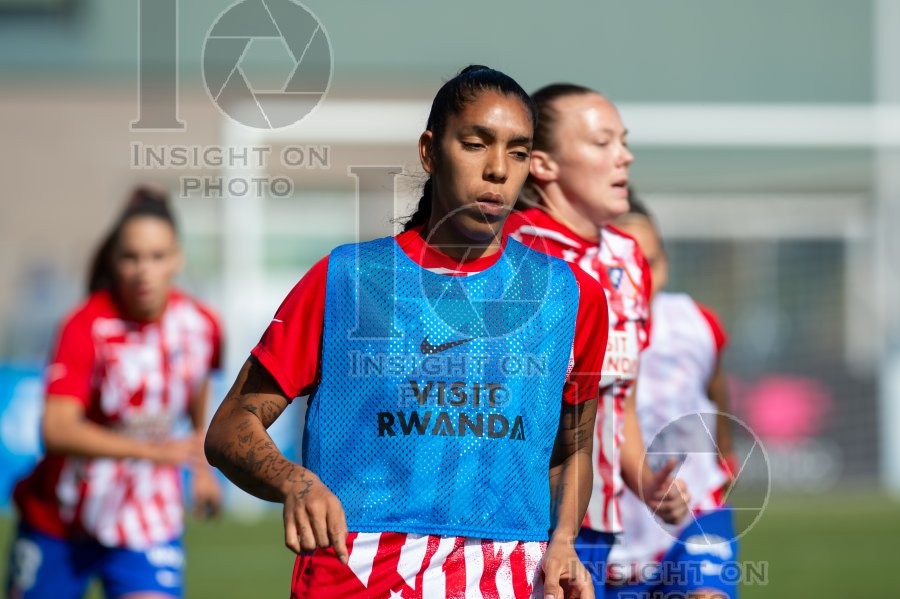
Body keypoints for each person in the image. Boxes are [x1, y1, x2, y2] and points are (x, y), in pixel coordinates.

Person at [204, 65, 608, 599]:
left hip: (509, 574)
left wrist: (564, 541)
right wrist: (295, 482)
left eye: (517, 151)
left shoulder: (572, 297)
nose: (497, 169)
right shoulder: (349, 279)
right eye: (475, 143)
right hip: (358, 570)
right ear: (428, 150)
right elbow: (231, 426)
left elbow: (573, 448)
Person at [504, 83, 691, 591]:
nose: (623, 156)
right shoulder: (512, 254)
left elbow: (615, 398)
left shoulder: (630, 258)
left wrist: (644, 481)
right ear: (542, 165)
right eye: (601, 142)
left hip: (602, 520)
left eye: (623, 141)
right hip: (519, 519)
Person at [5, 186, 223, 599]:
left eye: (157, 257)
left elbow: (196, 385)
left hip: (146, 519)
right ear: (114, 260)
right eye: (131, 257)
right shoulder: (85, 326)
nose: (144, 270)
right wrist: (153, 452)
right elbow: (56, 429)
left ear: (177, 258)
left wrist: (202, 466)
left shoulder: (202, 325)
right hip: (62, 520)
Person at [605, 192, 738, 599]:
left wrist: (723, 466)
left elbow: (716, 396)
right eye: (626, 267)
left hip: (693, 516)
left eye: (653, 263)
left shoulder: (696, 325)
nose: (642, 279)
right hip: (609, 538)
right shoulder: (580, 332)